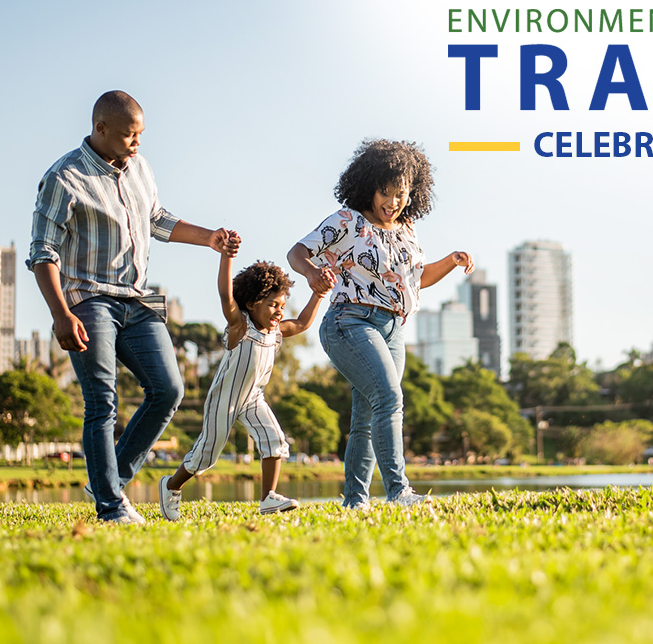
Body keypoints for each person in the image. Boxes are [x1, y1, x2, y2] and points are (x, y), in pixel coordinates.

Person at [28, 90, 237, 525]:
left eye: (140, 134)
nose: (137, 143)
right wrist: (60, 314)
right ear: (100, 129)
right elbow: (43, 253)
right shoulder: (64, 178)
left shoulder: (140, 168)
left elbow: (157, 219)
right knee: (101, 400)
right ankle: (109, 506)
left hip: (137, 300)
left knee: (169, 390)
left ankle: (109, 478)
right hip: (88, 300)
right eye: (128, 135)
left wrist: (209, 237)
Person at [287, 139, 473, 509]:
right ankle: (399, 491)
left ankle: (355, 502)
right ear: (367, 186)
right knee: (389, 397)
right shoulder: (347, 221)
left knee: (367, 417)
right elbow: (297, 252)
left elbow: (415, 278)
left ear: (412, 193)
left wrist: (450, 261)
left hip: (393, 330)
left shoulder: (407, 227)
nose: (393, 202)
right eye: (385, 192)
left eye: (401, 194)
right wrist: (311, 274)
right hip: (350, 323)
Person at [158, 240, 328, 519]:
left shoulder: (275, 332)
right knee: (206, 455)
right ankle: (171, 485)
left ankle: (268, 498)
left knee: (274, 440)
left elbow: (301, 323)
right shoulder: (240, 326)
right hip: (225, 398)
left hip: (253, 398)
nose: (279, 312)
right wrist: (226, 258)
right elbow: (226, 295)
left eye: (281, 305)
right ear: (251, 303)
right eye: (272, 305)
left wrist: (319, 295)